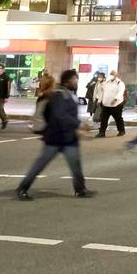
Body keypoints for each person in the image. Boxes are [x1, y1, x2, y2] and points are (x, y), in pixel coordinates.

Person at [16, 70, 94, 200]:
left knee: (75, 164)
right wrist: (79, 125)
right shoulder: (59, 95)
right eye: (75, 79)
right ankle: (23, 188)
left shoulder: (68, 95)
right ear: (67, 81)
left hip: (68, 138)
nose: (77, 82)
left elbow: (67, 115)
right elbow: (60, 116)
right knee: (40, 164)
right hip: (55, 137)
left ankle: (80, 189)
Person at [96, 70, 126, 137]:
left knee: (118, 118)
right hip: (106, 104)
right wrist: (99, 101)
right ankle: (102, 132)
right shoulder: (107, 83)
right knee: (104, 119)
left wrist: (115, 99)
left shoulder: (120, 83)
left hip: (116, 105)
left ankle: (121, 130)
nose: (111, 75)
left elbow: (120, 92)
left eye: (113, 74)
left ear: (116, 75)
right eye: (110, 74)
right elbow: (103, 93)